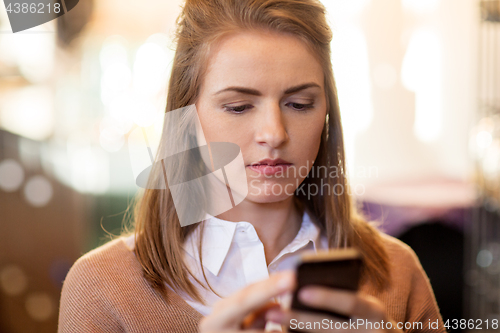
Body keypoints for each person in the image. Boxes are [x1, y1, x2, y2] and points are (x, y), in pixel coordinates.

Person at [58, 0, 447, 332]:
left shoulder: (396, 273)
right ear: (186, 116)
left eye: (299, 104)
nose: (274, 133)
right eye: (239, 106)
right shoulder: (102, 288)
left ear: (327, 112)